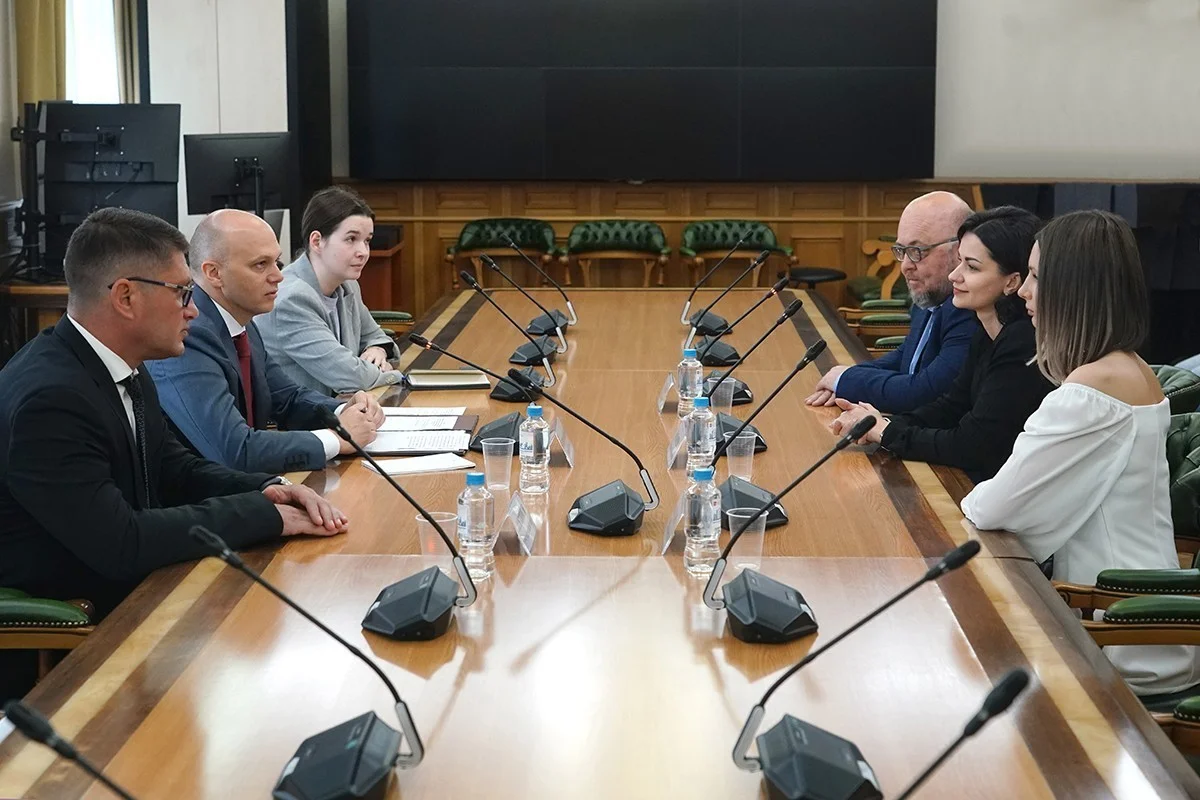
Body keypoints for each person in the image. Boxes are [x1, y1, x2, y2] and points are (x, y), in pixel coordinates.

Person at [0, 208, 349, 622]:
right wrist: (263, 515)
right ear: (126, 297)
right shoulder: (52, 400)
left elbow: (173, 468)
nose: (194, 310)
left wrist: (267, 488)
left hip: (144, 587)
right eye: (182, 293)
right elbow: (121, 542)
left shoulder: (124, 364)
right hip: (83, 624)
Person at [962, 210, 1200, 698]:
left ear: (1073, 288)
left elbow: (992, 508)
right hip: (1143, 617)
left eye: (1035, 276)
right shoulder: (1131, 367)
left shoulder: (1090, 392)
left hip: (1118, 632)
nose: (1023, 291)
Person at [146, 209, 382, 473]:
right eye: (260, 264)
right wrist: (338, 439)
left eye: (277, 262)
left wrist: (344, 411)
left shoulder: (242, 321)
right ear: (214, 273)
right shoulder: (189, 333)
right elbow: (234, 450)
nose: (278, 276)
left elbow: (287, 399)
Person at [829, 207, 1052, 482]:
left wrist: (887, 433)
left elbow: (971, 444)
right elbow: (949, 407)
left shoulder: (1022, 342)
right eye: (959, 262)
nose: (954, 276)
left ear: (1012, 282)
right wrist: (879, 424)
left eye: (971, 267)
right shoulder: (986, 331)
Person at [805, 191, 978, 413]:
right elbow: (906, 357)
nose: (905, 266)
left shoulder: (970, 308)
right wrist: (844, 379)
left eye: (917, 251)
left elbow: (925, 394)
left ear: (960, 250)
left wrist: (846, 381)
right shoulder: (931, 295)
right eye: (901, 251)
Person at [257, 186, 403, 395]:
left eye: (367, 241)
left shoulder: (347, 285)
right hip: (304, 414)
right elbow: (351, 377)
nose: (363, 252)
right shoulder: (291, 300)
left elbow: (377, 336)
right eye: (351, 239)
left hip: (345, 405)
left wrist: (377, 349)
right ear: (317, 241)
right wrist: (394, 375)